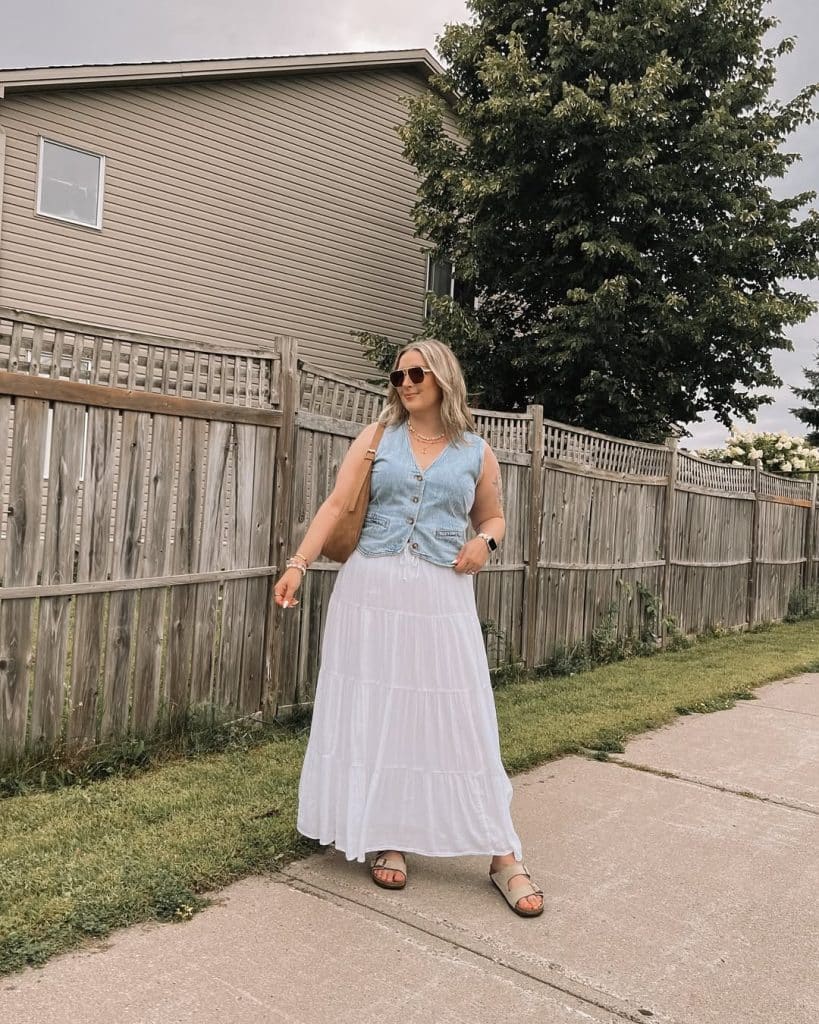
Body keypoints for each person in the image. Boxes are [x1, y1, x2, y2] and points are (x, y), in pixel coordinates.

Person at [273, 339, 544, 917]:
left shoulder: (476, 451)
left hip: (441, 594)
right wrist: (299, 563)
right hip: (369, 593)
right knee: (380, 710)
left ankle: (503, 853)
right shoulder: (377, 438)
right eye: (398, 375)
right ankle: (388, 834)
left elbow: (494, 517)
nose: (406, 383)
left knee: (462, 714)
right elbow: (335, 505)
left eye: (417, 373)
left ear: (443, 377)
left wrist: (485, 542)